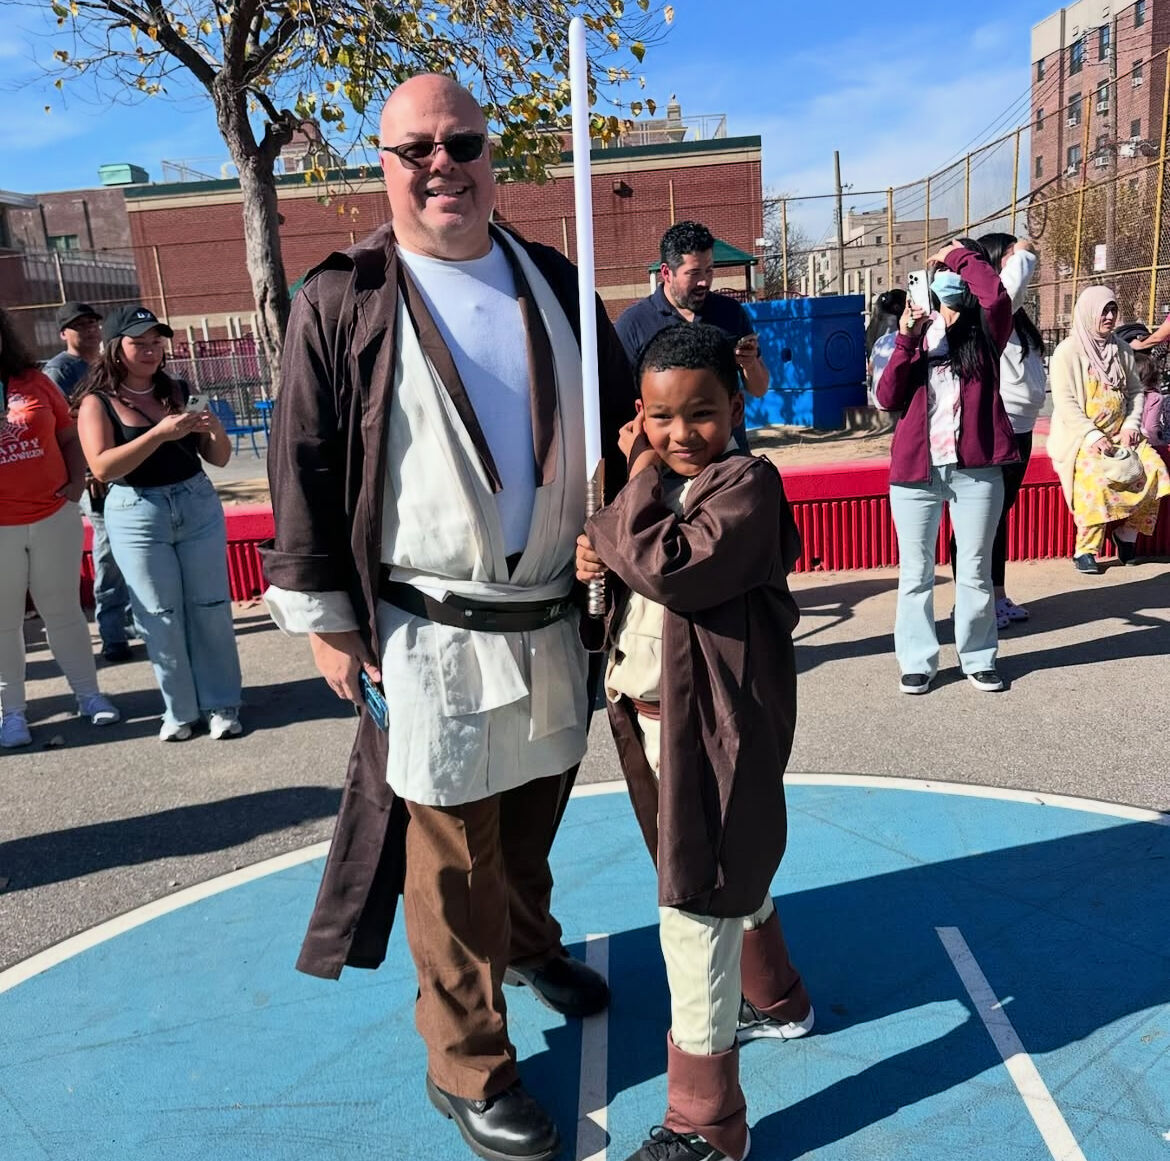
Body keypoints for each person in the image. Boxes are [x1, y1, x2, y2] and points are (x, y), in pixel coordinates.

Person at [261, 74, 633, 1161]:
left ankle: (528, 942)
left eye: (462, 143)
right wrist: (328, 621)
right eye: (414, 147)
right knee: (454, 852)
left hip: (555, 615)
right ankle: (466, 1062)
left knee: (532, 813)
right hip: (430, 632)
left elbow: (625, 438)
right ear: (380, 163)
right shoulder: (344, 297)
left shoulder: (559, 282)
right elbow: (304, 462)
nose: (442, 165)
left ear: (491, 157)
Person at [575, 324, 811, 1161]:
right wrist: (598, 557)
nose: (683, 434)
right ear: (640, 412)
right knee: (720, 864)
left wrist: (626, 500)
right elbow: (631, 577)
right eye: (663, 418)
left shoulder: (747, 482)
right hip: (651, 714)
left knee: (692, 899)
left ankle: (705, 1121)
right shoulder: (651, 490)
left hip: (711, 723)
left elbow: (674, 566)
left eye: (703, 413)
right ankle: (775, 993)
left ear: (735, 406)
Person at [74, 305, 243, 740]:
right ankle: (180, 711)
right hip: (137, 513)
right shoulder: (97, 402)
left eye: (156, 342)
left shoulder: (179, 389)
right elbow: (103, 467)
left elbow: (218, 458)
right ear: (116, 348)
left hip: (196, 503)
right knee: (159, 615)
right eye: (138, 342)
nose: (150, 350)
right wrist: (157, 435)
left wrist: (213, 429)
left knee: (209, 608)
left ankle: (222, 704)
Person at [875, 239, 1017, 695]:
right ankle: (918, 660)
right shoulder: (910, 334)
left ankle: (978, 658)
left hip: (975, 468)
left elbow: (995, 295)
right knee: (915, 571)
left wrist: (958, 253)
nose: (945, 282)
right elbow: (887, 397)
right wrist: (907, 338)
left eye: (952, 276)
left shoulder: (986, 329)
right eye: (938, 276)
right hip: (917, 472)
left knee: (975, 569)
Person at [0, 307, 120, 749]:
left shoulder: (34, 381)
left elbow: (68, 435)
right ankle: (11, 713)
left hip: (53, 515)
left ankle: (89, 696)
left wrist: (74, 484)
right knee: (3, 622)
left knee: (65, 612)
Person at [614, 220, 769, 451]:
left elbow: (759, 389)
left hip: (726, 455)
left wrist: (750, 363)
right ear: (667, 272)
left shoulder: (730, 313)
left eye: (709, 270)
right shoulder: (634, 323)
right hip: (666, 459)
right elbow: (619, 401)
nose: (704, 281)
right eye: (694, 273)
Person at [1047, 287, 1170, 573]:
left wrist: (1130, 425)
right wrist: (1092, 435)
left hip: (1121, 435)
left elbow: (1136, 392)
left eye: (1113, 310)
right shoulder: (1067, 352)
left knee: (1157, 473)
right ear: (1089, 311)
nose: (1110, 316)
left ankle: (1127, 535)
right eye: (1104, 310)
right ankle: (1086, 550)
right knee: (1093, 481)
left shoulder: (1121, 350)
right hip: (1082, 438)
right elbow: (1064, 402)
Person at [42, 302, 134, 664]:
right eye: (79, 325)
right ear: (64, 333)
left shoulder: (107, 362)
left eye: (94, 323)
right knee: (109, 549)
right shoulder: (58, 371)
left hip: (123, 467)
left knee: (129, 546)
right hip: (94, 475)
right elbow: (63, 428)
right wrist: (83, 473)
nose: (91, 330)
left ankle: (127, 620)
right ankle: (112, 633)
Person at [967, 233, 1048, 630]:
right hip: (999, 426)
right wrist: (1024, 253)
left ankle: (996, 594)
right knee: (982, 518)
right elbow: (1010, 285)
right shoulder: (993, 309)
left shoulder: (1016, 318)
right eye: (1012, 257)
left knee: (999, 517)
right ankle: (975, 599)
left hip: (1023, 427)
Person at [867, 289, 906, 408]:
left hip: (876, 397)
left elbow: (871, 369)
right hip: (890, 397)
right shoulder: (895, 327)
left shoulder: (876, 328)